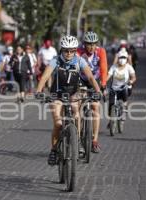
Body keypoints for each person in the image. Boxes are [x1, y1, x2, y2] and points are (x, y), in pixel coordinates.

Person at [36, 35, 101, 165]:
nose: (69, 53)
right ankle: (54, 150)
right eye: (66, 50)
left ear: (75, 50)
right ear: (62, 50)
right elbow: (45, 76)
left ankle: (77, 143)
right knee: (58, 124)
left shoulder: (80, 61)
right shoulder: (56, 61)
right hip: (57, 94)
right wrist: (38, 91)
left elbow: (91, 78)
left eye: (72, 50)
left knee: (77, 114)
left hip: (73, 93)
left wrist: (98, 91)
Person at [77, 31, 108, 153]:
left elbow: (104, 68)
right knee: (78, 105)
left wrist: (104, 84)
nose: (91, 47)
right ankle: (78, 138)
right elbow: (74, 68)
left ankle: (94, 141)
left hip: (95, 80)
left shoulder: (100, 52)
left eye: (94, 44)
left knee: (95, 107)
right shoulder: (79, 52)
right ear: (84, 44)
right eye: (89, 44)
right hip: (81, 79)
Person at [107, 50, 136, 121]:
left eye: (124, 57)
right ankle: (111, 121)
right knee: (111, 105)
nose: (122, 59)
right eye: (120, 57)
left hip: (125, 88)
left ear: (126, 59)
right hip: (114, 88)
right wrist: (104, 82)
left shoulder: (129, 67)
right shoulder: (114, 67)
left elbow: (134, 77)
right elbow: (108, 76)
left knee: (125, 93)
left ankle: (124, 112)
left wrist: (131, 81)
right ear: (118, 58)